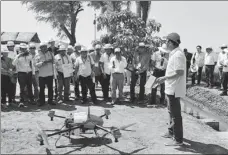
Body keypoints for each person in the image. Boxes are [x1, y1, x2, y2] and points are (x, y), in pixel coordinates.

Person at [156, 32, 186, 146]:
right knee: (170, 112)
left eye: (166, 41)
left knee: (176, 115)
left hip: (174, 88)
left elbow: (179, 72)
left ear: (171, 42)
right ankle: (171, 132)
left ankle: (178, 140)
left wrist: (164, 78)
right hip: (171, 87)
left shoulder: (178, 54)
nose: (165, 43)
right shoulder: (174, 53)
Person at [35, 42, 56, 106]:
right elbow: (36, 65)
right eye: (42, 47)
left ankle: (50, 101)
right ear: (40, 48)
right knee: (41, 89)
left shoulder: (50, 53)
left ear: (47, 47)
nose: (44, 48)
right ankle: (42, 101)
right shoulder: (37, 55)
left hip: (50, 74)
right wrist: (43, 63)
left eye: (45, 47)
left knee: (50, 88)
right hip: (41, 75)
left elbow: (54, 61)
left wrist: (52, 61)